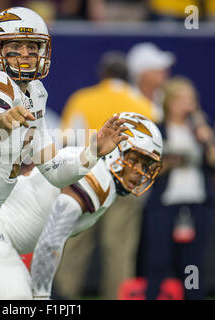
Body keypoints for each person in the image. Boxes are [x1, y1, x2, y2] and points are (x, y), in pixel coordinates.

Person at [0, 6, 129, 300]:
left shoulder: (34, 95)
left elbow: (54, 170)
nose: (26, 54)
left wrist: (93, 151)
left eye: (33, 46)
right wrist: (3, 119)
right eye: (15, 47)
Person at [0, 112, 163, 299]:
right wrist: (41, 294)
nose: (139, 172)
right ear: (115, 151)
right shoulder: (97, 177)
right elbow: (51, 239)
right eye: (134, 160)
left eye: (145, 165)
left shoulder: (101, 178)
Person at [54, 51, 157, 300]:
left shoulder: (83, 99)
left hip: (85, 180)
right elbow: (152, 148)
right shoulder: (142, 103)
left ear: (102, 74)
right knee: (119, 250)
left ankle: (63, 300)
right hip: (124, 180)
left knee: (74, 248)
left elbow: (66, 140)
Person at [138, 76, 215, 300]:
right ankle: (153, 294)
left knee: (192, 264)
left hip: (197, 205)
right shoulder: (157, 129)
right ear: (169, 101)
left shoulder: (201, 128)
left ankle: (194, 296)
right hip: (164, 204)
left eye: (190, 99)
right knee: (158, 259)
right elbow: (146, 169)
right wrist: (172, 160)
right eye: (181, 99)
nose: (186, 104)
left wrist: (208, 138)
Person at [127, 42, 175, 123]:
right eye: (157, 70)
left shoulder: (168, 98)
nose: (164, 73)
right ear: (142, 74)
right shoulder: (127, 98)